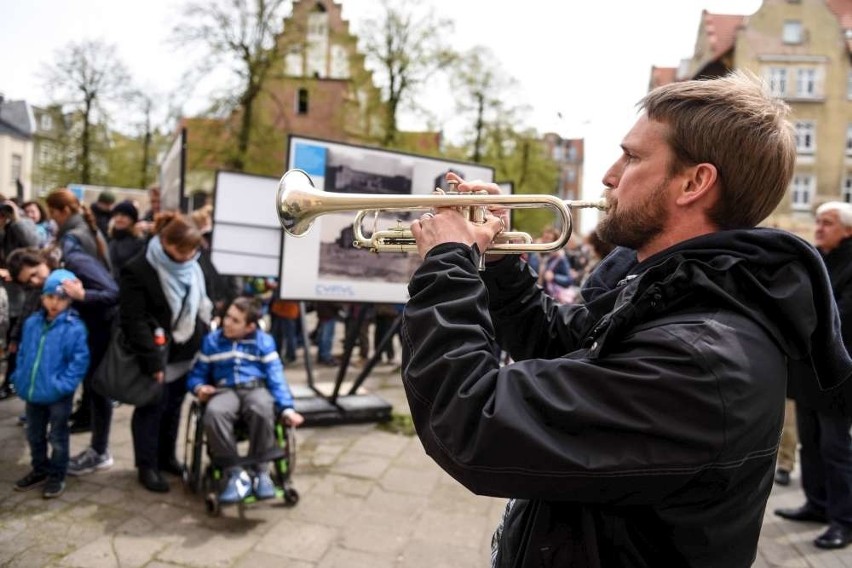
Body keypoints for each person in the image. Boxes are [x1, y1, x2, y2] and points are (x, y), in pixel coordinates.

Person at [400, 70, 852, 566]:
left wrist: (447, 263)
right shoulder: (670, 289)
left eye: (633, 156)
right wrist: (500, 263)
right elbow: (557, 342)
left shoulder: (702, 359)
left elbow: (473, 421)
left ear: (694, 182)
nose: (609, 175)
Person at [775, 201, 852, 549]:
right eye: (818, 221)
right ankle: (817, 504)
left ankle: (844, 520)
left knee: (836, 449)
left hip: (839, 377)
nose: (819, 227)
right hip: (809, 374)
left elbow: (841, 317)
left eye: (828, 222)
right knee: (811, 445)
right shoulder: (818, 259)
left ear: (848, 230)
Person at [119, 212, 215, 493]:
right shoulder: (138, 268)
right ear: (164, 241)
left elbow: (207, 299)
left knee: (173, 406)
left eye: (192, 250)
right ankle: (147, 465)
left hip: (187, 349)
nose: (187, 256)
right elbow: (133, 320)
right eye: (181, 250)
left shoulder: (196, 265)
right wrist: (151, 361)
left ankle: (167, 457)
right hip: (157, 352)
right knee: (150, 407)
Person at [7, 244, 119, 476]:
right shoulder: (48, 283)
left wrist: (83, 295)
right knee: (92, 391)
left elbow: (113, 293)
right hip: (82, 337)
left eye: (35, 273)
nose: (36, 282)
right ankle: (96, 449)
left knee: (99, 393)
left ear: (40, 260)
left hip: (103, 333)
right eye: (30, 282)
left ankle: (100, 451)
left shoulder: (75, 262)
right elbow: (32, 308)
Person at [186, 297, 304, 504]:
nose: (227, 323)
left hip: (255, 388)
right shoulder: (212, 342)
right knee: (214, 413)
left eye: (235, 320)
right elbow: (197, 374)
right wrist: (198, 388)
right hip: (224, 390)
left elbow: (276, 377)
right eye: (227, 317)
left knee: (261, 407)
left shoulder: (263, 342)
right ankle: (235, 473)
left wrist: (287, 409)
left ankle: (260, 472)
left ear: (250, 327)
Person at [11, 269, 90, 499]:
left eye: (61, 298)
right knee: (34, 434)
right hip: (33, 391)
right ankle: (40, 469)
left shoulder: (74, 327)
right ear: (42, 297)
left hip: (57, 394)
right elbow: (24, 353)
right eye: (50, 297)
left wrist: (63, 385)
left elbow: (79, 360)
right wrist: (19, 377)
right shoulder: (32, 323)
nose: (55, 303)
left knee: (57, 436)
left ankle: (57, 474)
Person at [45, 188, 115, 436]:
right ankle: (86, 414)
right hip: (97, 316)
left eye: (53, 213)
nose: (52, 219)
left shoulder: (73, 240)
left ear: (64, 211)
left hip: (94, 316)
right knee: (91, 375)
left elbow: (107, 287)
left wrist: (82, 295)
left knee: (92, 376)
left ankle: (92, 427)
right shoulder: (87, 230)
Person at [0, 201, 41, 399]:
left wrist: (17, 217)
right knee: (11, 339)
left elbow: (34, 246)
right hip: (9, 294)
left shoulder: (17, 227)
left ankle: (12, 381)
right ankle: (10, 380)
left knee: (16, 339)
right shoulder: (5, 231)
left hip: (19, 295)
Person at [107, 200, 145, 279]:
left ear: (132, 220)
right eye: (116, 215)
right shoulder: (112, 240)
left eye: (123, 215)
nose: (119, 218)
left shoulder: (138, 242)